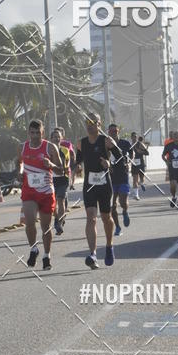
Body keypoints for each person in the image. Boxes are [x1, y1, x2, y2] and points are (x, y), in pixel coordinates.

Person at [76, 112, 120, 269]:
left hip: (104, 184)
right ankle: (93, 254)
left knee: (106, 217)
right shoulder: (81, 142)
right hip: (89, 184)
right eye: (87, 121)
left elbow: (120, 158)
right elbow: (78, 160)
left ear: (99, 124)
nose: (89, 124)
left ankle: (109, 246)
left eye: (93, 122)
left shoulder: (106, 141)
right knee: (91, 218)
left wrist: (109, 163)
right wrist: (78, 166)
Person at [17, 119, 63, 270]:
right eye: (32, 132)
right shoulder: (22, 147)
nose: (35, 136)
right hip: (29, 191)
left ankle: (46, 255)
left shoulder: (50, 147)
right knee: (30, 223)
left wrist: (51, 165)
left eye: (38, 133)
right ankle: (33, 249)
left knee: (46, 227)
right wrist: (20, 173)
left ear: (42, 133)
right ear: (28, 133)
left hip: (46, 192)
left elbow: (61, 170)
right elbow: (19, 163)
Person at [108, 123, 132, 235]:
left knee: (122, 202)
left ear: (118, 131)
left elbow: (132, 155)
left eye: (115, 131)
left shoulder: (125, 143)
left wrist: (129, 164)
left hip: (123, 175)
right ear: (108, 132)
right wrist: (108, 165)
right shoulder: (106, 144)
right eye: (111, 131)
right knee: (112, 205)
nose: (113, 133)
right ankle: (117, 227)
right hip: (110, 178)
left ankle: (125, 211)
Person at [51, 128, 70, 235]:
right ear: (51, 139)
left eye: (58, 136)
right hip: (51, 179)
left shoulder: (65, 150)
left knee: (61, 201)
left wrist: (66, 168)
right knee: (53, 204)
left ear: (61, 138)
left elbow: (67, 163)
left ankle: (59, 223)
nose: (57, 138)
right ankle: (57, 218)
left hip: (63, 178)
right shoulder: (48, 150)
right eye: (54, 137)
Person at [129, 132, 148, 199]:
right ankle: (136, 195)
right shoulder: (130, 145)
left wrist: (141, 152)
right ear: (131, 137)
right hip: (134, 164)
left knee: (142, 179)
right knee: (135, 180)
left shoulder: (140, 144)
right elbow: (128, 155)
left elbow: (147, 153)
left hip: (141, 164)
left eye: (135, 137)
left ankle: (141, 183)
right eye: (133, 136)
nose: (134, 138)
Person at [58, 126, 77, 192]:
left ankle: (71, 184)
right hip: (57, 163)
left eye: (59, 133)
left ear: (62, 135)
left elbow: (72, 152)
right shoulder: (51, 144)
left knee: (73, 172)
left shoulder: (67, 143)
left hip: (68, 161)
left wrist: (74, 160)